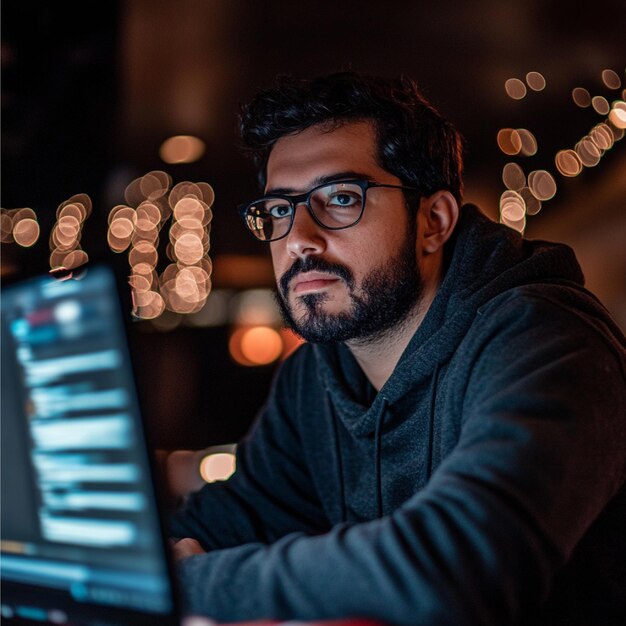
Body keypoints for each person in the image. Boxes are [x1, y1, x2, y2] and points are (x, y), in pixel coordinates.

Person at [169, 71, 626, 625]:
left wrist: (195, 585)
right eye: (280, 210)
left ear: (433, 221)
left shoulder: (548, 342)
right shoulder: (318, 373)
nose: (299, 239)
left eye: (340, 198)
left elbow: (460, 567)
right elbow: (217, 525)